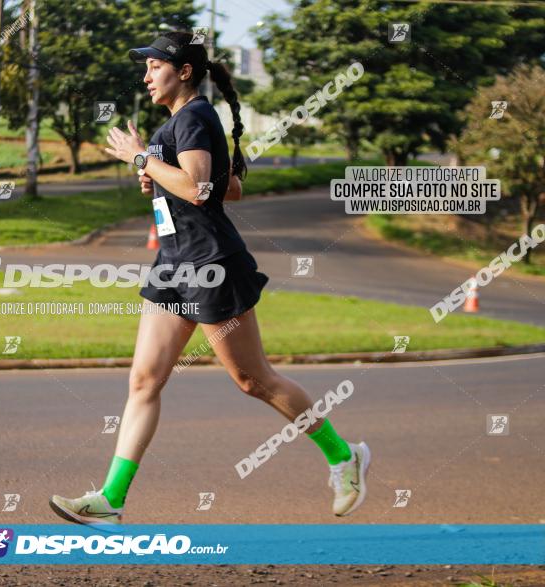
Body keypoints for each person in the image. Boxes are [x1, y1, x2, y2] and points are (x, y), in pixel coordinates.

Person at [49, 31, 371, 528]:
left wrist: (142, 159)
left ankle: (344, 456)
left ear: (183, 72)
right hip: (175, 266)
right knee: (144, 380)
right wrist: (154, 175)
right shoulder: (181, 122)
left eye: (154, 66)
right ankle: (110, 499)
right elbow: (229, 188)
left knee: (253, 379)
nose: (145, 76)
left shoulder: (196, 116)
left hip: (210, 266)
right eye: (146, 67)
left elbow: (199, 192)